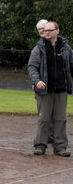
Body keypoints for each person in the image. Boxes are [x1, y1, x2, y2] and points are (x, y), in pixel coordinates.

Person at [28, 21, 72, 157]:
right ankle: (40, 145)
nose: (46, 32)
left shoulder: (66, 49)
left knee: (60, 118)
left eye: (49, 30)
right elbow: (32, 67)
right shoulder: (39, 48)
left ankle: (60, 147)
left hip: (61, 89)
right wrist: (37, 81)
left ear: (57, 31)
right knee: (44, 119)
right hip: (44, 90)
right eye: (44, 30)